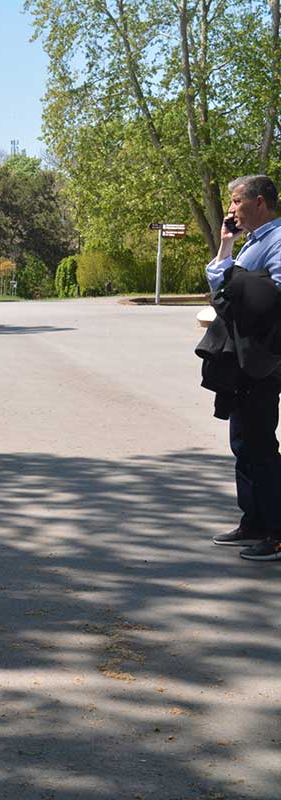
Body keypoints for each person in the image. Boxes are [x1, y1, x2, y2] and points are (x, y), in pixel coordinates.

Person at [205, 174, 281, 561]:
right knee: (243, 442)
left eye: (237, 201)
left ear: (260, 202)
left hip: (262, 357)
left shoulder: (278, 240)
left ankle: (277, 532)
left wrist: (238, 284)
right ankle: (253, 521)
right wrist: (226, 244)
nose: (231, 208)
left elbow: (273, 294)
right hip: (239, 357)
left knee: (260, 444)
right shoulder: (252, 241)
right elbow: (219, 285)